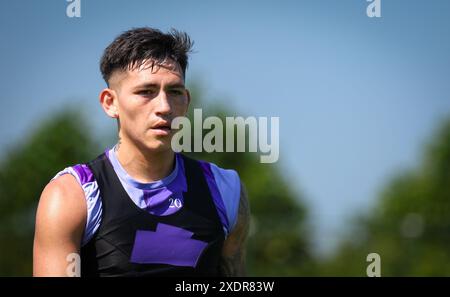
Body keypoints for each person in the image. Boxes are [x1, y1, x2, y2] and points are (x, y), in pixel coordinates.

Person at [33, 27, 250, 277]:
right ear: (110, 103)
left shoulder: (226, 190)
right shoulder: (71, 197)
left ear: (186, 102)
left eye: (175, 92)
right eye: (146, 92)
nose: (164, 106)